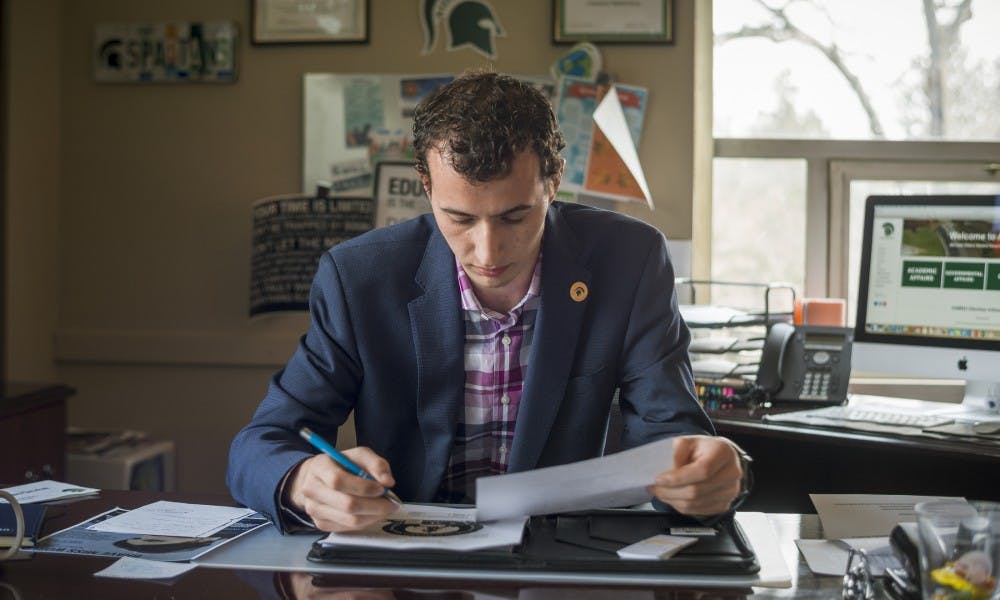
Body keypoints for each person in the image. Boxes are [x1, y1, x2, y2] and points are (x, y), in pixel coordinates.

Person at [227, 70, 750, 534]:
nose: (488, 251)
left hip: (559, 555)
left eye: (514, 216)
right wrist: (302, 480)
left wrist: (709, 471)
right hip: (406, 553)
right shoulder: (359, 277)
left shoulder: (631, 260)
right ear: (426, 186)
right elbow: (263, 442)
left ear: (554, 180)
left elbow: (672, 432)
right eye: (459, 218)